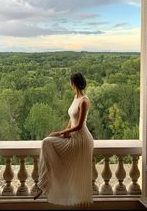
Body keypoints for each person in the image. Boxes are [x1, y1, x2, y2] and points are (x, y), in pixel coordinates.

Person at [33, 72, 94, 206]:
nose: (69, 84)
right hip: (72, 134)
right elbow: (71, 120)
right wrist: (64, 133)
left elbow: (78, 125)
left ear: (74, 83)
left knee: (47, 143)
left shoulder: (84, 100)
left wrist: (59, 132)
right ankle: (43, 184)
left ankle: (42, 185)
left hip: (81, 138)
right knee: (46, 143)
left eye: (70, 82)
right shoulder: (75, 97)